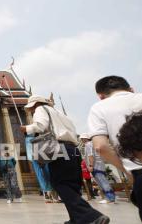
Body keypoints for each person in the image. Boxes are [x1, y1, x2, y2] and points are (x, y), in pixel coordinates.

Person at [21, 95, 108, 224]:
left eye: (32, 108)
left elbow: (40, 125)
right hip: (73, 149)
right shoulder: (60, 114)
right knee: (72, 185)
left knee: (60, 184)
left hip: (58, 149)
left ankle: (92, 216)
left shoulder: (40, 109)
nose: (32, 110)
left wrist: (26, 129)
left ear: (35, 104)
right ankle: (76, 219)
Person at [87, 76, 142, 220]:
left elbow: (101, 146)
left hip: (137, 169)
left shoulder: (99, 108)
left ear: (100, 96)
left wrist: (126, 171)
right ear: (131, 89)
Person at [81, 134, 116, 204]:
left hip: (95, 166)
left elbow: (90, 156)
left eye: (82, 138)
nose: (81, 140)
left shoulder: (88, 145)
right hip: (99, 165)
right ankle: (108, 197)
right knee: (102, 182)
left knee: (102, 182)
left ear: (85, 139)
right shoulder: (93, 144)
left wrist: (90, 165)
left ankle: (110, 198)